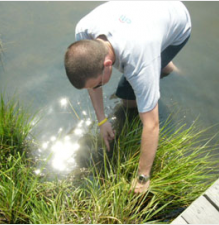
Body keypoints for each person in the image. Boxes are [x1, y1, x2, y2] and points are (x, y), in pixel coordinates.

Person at [64, 1, 191, 194]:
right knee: (142, 75)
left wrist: (142, 178)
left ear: (107, 64)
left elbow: (152, 125)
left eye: (98, 84)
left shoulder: (140, 62)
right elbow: (92, 82)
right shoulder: (84, 32)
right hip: (142, 18)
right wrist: (102, 121)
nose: (96, 89)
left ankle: (166, 65)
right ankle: (163, 63)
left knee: (129, 102)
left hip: (177, 21)